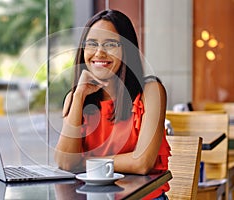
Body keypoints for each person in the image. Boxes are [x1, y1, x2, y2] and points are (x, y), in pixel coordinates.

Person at [54, 9, 170, 199]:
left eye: (110, 44)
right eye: (92, 44)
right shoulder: (76, 99)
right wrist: (79, 94)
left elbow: (142, 163)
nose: (99, 52)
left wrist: (84, 163)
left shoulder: (151, 92)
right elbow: (66, 163)